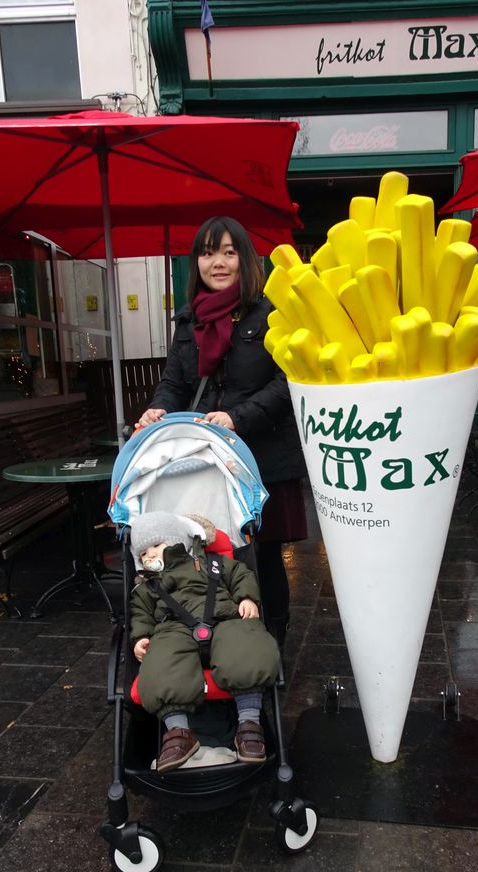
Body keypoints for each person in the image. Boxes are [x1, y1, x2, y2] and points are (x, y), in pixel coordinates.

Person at [135, 216, 307, 649]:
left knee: (263, 555)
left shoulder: (271, 314)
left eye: (229, 252)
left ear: (245, 258)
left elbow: (289, 381)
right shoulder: (188, 320)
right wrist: (158, 408)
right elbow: (175, 382)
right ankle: (221, 635)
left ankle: (273, 638)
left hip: (262, 456)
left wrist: (238, 418)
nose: (219, 262)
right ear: (198, 261)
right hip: (208, 462)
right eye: (209, 252)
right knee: (211, 549)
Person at [129, 510, 281, 772]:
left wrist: (246, 598)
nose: (150, 554)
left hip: (224, 616)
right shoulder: (146, 587)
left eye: (157, 545)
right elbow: (140, 613)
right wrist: (140, 637)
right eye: (143, 552)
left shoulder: (214, 564)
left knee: (246, 645)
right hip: (172, 628)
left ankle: (248, 724)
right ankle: (178, 734)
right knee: (160, 663)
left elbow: (242, 576)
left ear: (180, 541)